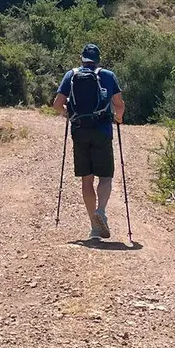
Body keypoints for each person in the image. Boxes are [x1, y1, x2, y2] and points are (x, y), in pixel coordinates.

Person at [53, 43, 125, 239]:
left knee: (87, 179)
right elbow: (119, 105)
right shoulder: (108, 76)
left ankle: (94, 226)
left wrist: (70, 115)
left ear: (82, 58)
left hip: (80, 131)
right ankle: (101, 211)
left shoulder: (71, 75)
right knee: (106, 177)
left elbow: (57, 104)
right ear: (98, 59)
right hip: (102, 131)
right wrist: (118, 118)